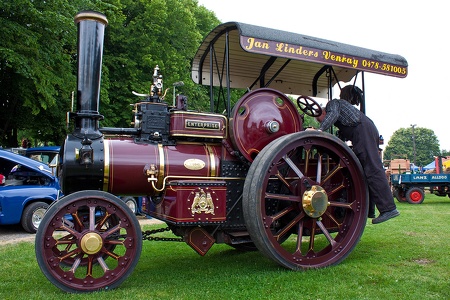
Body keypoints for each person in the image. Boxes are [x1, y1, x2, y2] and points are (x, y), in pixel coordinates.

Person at [316, 85, 399, 224]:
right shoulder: (342, 113)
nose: (321, 121)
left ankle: (389, 208)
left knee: (372, 168)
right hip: (365, 130)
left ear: (323, 111)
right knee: (364, 171)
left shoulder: (333, 104)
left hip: (363, 131)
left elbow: (332, 116)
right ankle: (370, 209)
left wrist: (320, 130)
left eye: (320, 119)